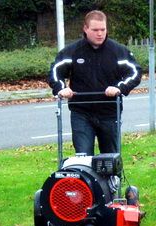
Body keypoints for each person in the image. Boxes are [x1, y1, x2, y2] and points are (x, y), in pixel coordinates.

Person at [48, 10, 142, 156]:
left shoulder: (118, 52)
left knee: (110, 159)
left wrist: (120, 88)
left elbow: (135, 72)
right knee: (83, 157)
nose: (100, 33)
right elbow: (55, 71)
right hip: (81, 113)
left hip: (110, 113)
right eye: (95, 30)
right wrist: (61, 89)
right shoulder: (73, 52)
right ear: (85, 29)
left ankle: (113, 179)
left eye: (103, 29)